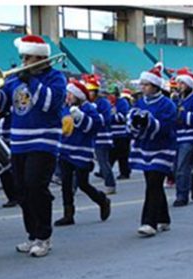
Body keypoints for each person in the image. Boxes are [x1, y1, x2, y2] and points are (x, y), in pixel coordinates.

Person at [0, 35, 69, 257]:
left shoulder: (56, 77)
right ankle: (32, 235)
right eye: (22, 57)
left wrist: (30, 80)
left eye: (27, 57)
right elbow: (3, 106)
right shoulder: (16, 80)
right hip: (19, 142)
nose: (23, 62)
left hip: (44, 141)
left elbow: (49, 103)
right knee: (21, 190)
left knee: (35, 186)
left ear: (40, 57)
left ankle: (44, 237)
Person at [127, 64, 177, 237]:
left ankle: (149, 222)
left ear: (155, 86)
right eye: (142, 84)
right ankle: (164, 218)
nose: (143, 87)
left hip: (163, 149)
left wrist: (149, 122)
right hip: (146, 149)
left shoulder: (167, 104)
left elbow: (165, 127)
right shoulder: (140, 102)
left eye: (146, 84)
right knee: (153, 184)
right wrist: (135, 123)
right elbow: (131, 126)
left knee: (154, 184)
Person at [53, 78, 110, 227]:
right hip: (65, 151)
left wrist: (80, 117)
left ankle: (102, 200)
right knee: (66, 184)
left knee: (83, 184)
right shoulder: (65, 108)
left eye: (71, 94)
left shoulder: (89, 108)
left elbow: (96, 126)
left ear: (78, 96)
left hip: (82, 152)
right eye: (68, 94)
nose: (68, 96)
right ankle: (68, 214)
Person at [171, 67, 193, 207]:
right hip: (177, 137)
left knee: (182, 167)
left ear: (189, 85)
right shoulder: (177, 99)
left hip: (190, 138)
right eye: (178, 83)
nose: (179, 86)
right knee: (173, 168)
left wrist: (181, 115)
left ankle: (182, 196)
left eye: (182, 84)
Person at [83, 75, 116, 194]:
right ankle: (74, 186)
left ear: (96, 92)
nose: (89, 94)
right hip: (90, 138)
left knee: (103, 163)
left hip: (102, 138)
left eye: (91, 92)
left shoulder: (103, 103)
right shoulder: (86, 103)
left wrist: (92, 116)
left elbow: (106, 119)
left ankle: (110, 184)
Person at [111, 89, 134, 180]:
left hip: (122, 133)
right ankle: (104, 171)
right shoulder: (110, 103)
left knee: (123, 155)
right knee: (111, 154)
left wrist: (112, 116)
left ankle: (125, 172)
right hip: (113, 134)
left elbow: (123, 117)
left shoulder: (122, 103)